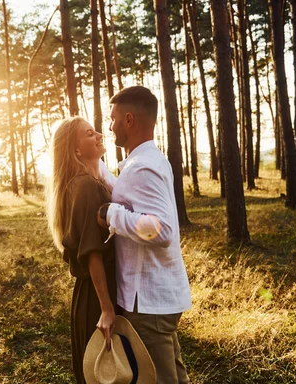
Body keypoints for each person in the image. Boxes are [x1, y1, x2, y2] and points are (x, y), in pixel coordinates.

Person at [97, 86, 192, 384]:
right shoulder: (149, 160)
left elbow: (161, 230)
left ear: (128, 120)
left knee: (159, 379)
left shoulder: (142, 167)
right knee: (173, 374)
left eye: (112, 119)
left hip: (148, 301)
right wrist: (97, 170)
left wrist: (109, 215)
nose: (109, 126)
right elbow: (133, 197)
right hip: (156, 297)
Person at [46, 117, 117, 384]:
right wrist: (107, 309)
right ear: (76, 150)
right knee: (106, 373)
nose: (99, 135)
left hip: (96, 293)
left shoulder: (91, 181)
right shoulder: (84, 186)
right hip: (98, 295)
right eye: (89, 134)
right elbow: (91, 253)